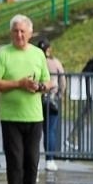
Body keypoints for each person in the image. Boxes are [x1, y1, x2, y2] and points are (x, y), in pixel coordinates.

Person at [0, 15, 52, 184]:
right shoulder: (3, 54)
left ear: (31, 33)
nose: (19, 35)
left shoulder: (38, 54)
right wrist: (18, 84)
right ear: (11, 33)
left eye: (23, 31)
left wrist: (39, 87)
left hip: (34, 116)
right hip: (11, 116)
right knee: (15, 159)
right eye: (16, 31)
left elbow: (48, 82)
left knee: (32, 160)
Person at [36, 38, 64, 172]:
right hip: (52, 99)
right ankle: (50, 159)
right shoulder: (55, 62)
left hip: (36, 99)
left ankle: (33, 159)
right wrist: (60, 94)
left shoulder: (35, 61)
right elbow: (62, 80)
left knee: (35, 131)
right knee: (50, 130)